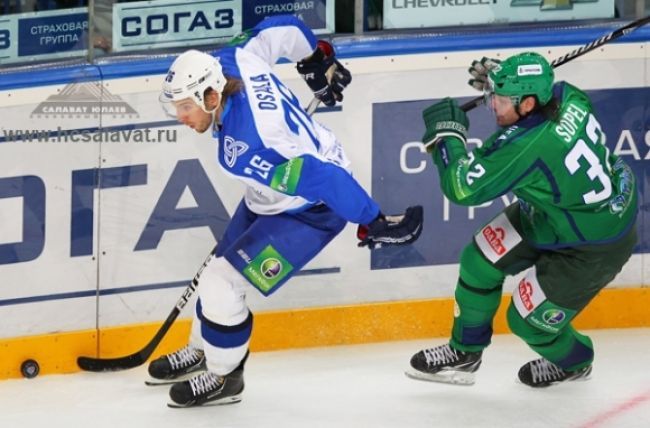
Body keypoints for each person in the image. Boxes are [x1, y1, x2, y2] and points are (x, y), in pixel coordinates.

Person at [148, 15, 423, 408]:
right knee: (215, 271)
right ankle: (203, 348)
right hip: (274, 192)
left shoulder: (246, 149)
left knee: (222, 283)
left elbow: (322, 179)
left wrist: (371, 219)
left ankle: (226, 376)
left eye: (186, 107)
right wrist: (316, 58)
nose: (181, 117)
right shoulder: (234, 59)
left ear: (212, 98)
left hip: (312, 210)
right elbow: (283, 27)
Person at [406, 52, 637, 388]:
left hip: (594, 244)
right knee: (479, 261)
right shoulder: (568, 95)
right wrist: (504, 79)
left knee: (527, 322)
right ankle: (465, 353)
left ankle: (577, 361)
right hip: (558, 212)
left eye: (499, 99)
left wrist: (448, 138)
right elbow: (543, 88)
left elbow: (461, 187)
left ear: (528, 104)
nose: (491, 105)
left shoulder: (528, 146)